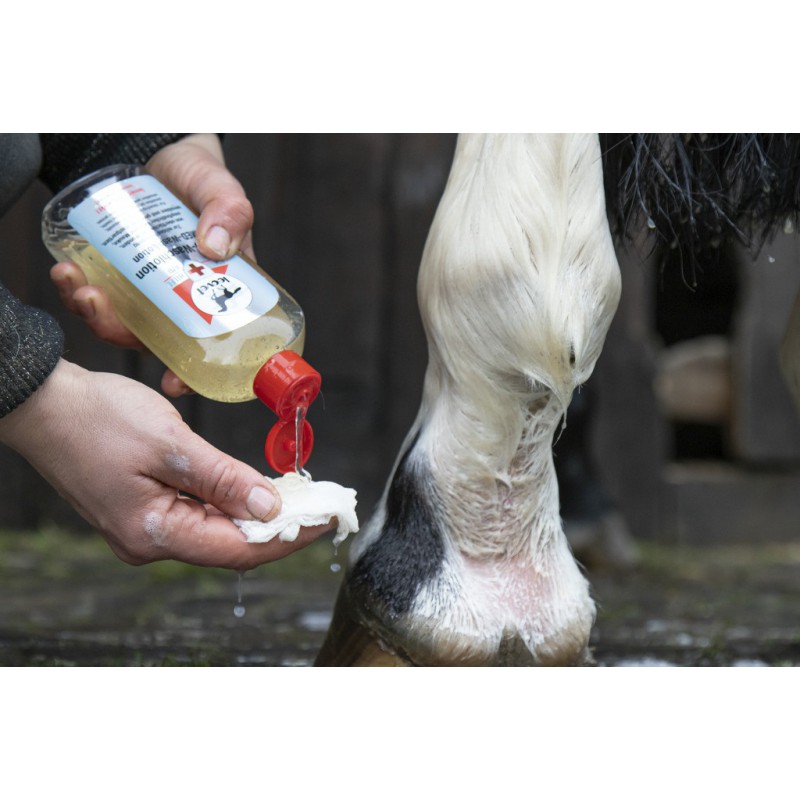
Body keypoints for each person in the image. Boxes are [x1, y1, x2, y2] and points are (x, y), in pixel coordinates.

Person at [0, 133, 334, 570]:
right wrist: (35, 396)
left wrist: (143, 144)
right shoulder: (275, 332)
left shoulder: (283, 328)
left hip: (117, 201)